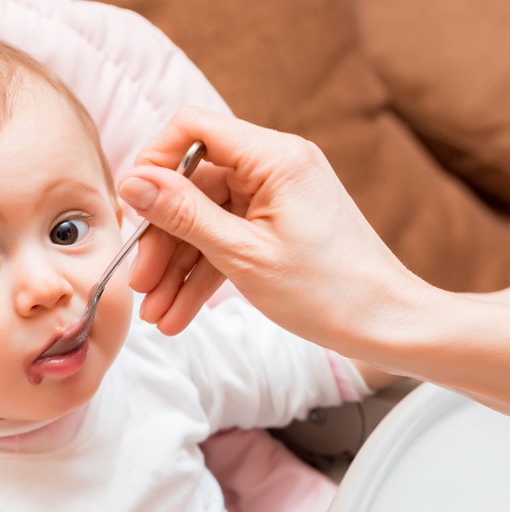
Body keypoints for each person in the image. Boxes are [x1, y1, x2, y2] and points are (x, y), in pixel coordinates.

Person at [0, 33, 398, 511]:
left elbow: (303, 358)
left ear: (119, 220)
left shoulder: (144, 347)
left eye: (66, 232)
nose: (49, 286)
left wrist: (433, 329)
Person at [118, 106, 510, 416]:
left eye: (67, 232)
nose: (53, 289)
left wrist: (387, 316)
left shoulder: (159, 357)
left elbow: (299, 365)